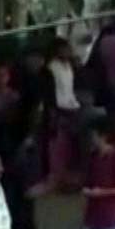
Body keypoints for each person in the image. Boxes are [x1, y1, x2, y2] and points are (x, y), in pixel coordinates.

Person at [45, 38, 82, 189]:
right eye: (65, 49)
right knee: (59, 145)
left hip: (71, 106)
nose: (69, 52)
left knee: (69, 145)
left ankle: (67, 177)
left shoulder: (69, 66)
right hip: (60, 108)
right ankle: (58, 176)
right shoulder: (52, 68)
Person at [57, 0, 94, 65]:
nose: (81, 3)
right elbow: (60, 44)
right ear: (71, 3)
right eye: (78, 1)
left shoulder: (86, 21)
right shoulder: (66, 22)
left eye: (82, 0)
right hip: (73, 61)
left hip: (87, 60)